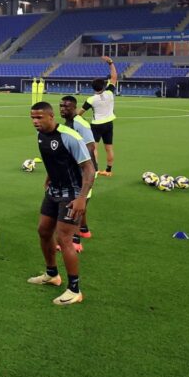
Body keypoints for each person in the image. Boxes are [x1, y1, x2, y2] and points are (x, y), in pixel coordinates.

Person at [27, 102, 95, 306]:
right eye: (32, 118)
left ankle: (74, 289)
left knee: (64, 238)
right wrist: (49, 175)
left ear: (51, 116)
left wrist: (82, 197)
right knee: (43, 231)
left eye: (39, 118)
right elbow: (56, 159)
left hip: (73, 193)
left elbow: (89, 169)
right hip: (54, 190)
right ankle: (52, 275)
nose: (35, 122)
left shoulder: (70, 136)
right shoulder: (41, 135)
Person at [59, 96, 96, 250]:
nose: (62, 108)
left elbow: (91, 146)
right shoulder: (67, 123)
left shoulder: (80, 123)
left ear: (74, 107)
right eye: (61, 106)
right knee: (82, 198)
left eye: (66, 106)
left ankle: (75, 240)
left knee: (77, 200)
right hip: (75, 167)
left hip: (84, 168)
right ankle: (84, 230)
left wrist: (73, 159)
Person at [78, 55, 117, 177]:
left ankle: (94, 170)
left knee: (94, 148)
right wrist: (110, 62)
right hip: (109, 124)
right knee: (109, 148)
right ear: (104, 86)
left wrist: (76, 118)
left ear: (93, 88)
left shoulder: (91, 99)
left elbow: (80, 112)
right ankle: (108, 171)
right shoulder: (110, 93)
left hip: (96, 125)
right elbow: (114, 76)